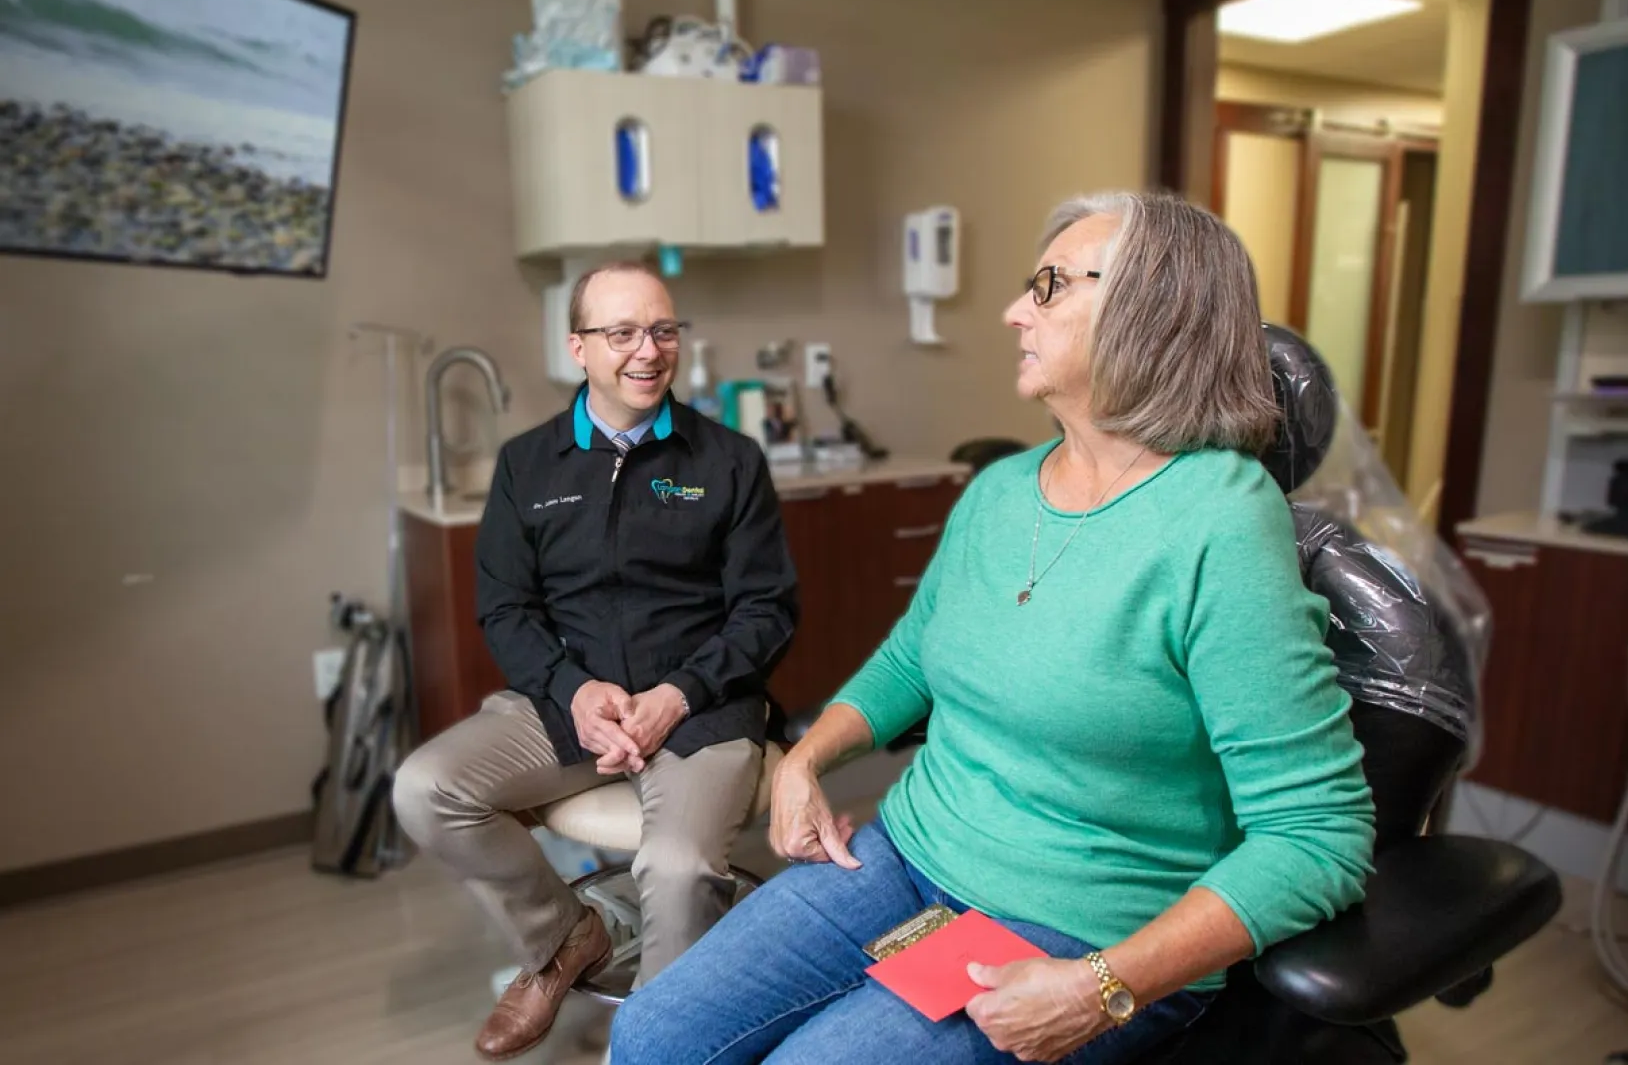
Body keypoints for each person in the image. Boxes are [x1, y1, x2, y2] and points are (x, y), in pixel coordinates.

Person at [608, 192, 1376, 1065]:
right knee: (651, 1031)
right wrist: (808, 760)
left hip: (1078, 929)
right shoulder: (1002, 492)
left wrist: (1104, 985)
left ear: (1152, 308)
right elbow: (911, 663)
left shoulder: (1221, 523)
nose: (1015, 311)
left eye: (1047, 286)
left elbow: (1318, 836)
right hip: (907, 858)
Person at [392, 262, 798, 1062]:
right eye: (622, 334)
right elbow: (506, 609)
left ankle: (663, 1043)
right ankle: (562, 942)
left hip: (701, 710)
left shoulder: (728, 461)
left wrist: (677, 696)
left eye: (663, 330)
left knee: (680, 871)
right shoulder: (528, 466)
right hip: (565, 706)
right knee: (425, 790)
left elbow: (768, 610)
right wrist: (574, 693)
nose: (647, 352)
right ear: (578, 347)